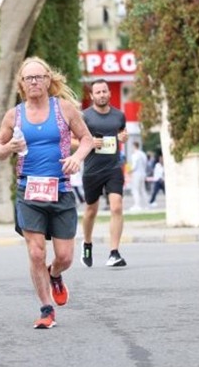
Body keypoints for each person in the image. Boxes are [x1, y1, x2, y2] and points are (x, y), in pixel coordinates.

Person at [0, 57, 93, 329]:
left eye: (39, 77)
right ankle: (46, 309)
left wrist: (77, 158)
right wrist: (10, 147)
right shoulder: (15, 115)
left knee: (65, 257)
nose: (34, 82)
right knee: (36, 253)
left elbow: (86, 139)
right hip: (29, 191)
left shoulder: (64, 109)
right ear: (21, 85)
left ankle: (55, 275)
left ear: (48, 80)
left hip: (60, 189)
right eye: (28, 78)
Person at [79, 79, 128, 268]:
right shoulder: (84, 117)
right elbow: (72, 141)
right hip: (92, 170)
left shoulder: (119, 115)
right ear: (91, 96)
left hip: (114, 167)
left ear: (109, 93)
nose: (101, 95)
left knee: (116, 207)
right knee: (91, 210)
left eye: (104, 91)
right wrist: (90, 142)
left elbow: (121, 134)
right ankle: (87, 243)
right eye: (97, 92)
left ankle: (114, 253)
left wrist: (123, 137)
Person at [128, 141, 148, 211]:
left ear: (134, 146)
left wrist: (129, 171)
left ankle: (137, 205)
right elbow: (145, 164)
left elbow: (134, 166)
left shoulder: (135, 155)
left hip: (136, 174)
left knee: (135, 190)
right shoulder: (143, 154)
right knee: (143, 190)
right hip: (143, 174)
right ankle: (146, 205)